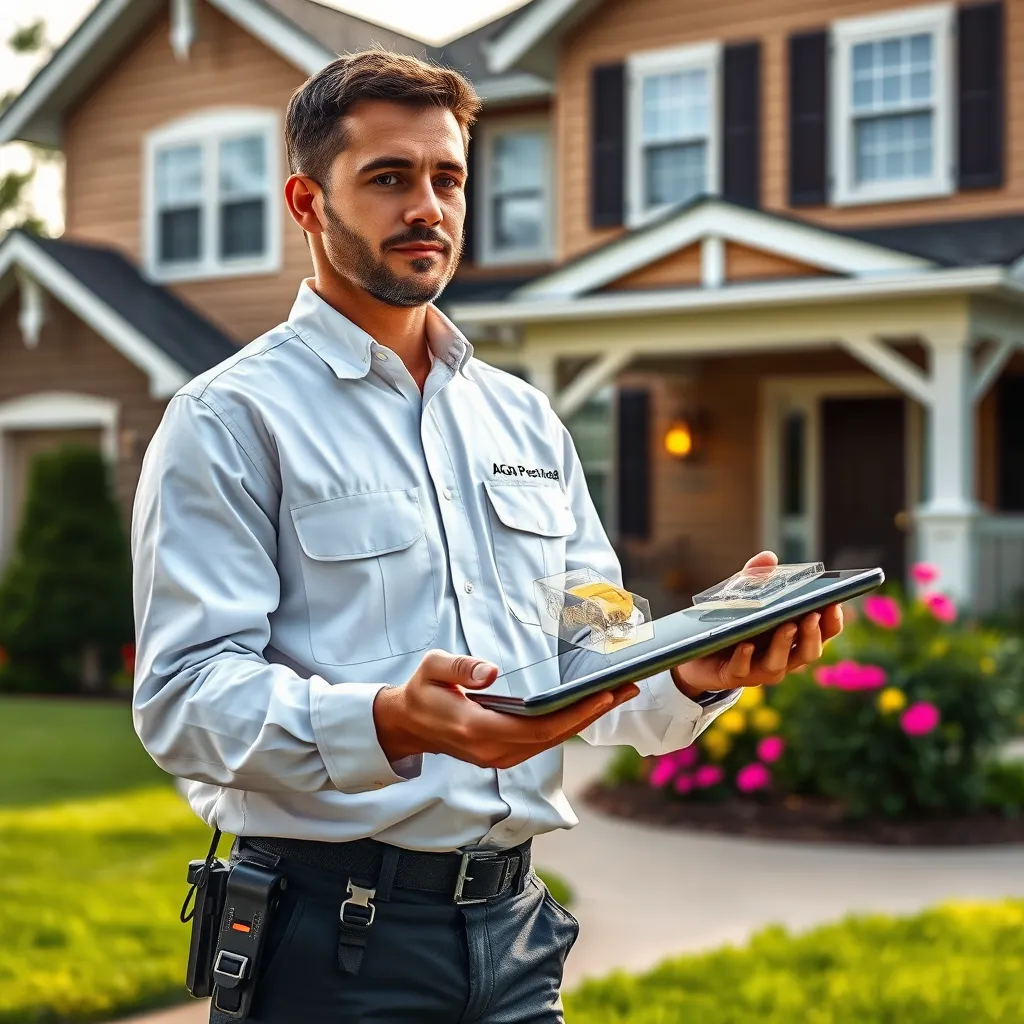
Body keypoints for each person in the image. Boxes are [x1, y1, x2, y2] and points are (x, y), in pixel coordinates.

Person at [130, 49, 843, 1024]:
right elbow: (182, 698)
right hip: (328, 941)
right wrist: (388, 718)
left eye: (448, 177)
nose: (429, 205)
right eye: (388, 178)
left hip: (516, 936)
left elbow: (588, 641)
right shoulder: (229, 418)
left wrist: (691, 668)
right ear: (306, 203)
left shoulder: (524, 421)